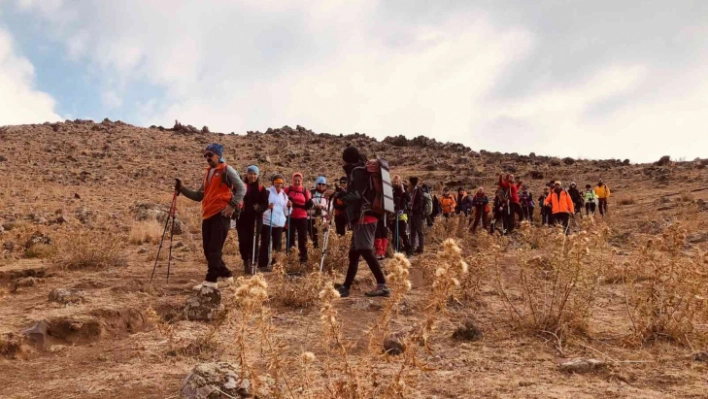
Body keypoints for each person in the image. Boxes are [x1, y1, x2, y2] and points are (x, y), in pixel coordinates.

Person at [175, 143, 246, 290]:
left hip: (221, 214)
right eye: (205, 155)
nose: (207, 158)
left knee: (214, 249)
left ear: (218, 156)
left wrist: (231, 205)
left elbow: (242, 189)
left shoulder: (227, 169)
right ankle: (226, 276)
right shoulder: (207, 173)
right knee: (208, 250)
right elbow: (199, 196)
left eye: (210, 155)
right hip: (207, 215)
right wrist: (182, 189)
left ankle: (210, 282)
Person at [337, 147, 390, 298]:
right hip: (366, 216)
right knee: (354, 254)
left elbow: (357, 195)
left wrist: (340, 197)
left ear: (346, 158)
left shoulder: (357, 171)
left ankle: (382, 284)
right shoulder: (361, 169)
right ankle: (346, 287)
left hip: (363, 216)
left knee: (365, 250)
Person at [236, 165, 269, 274]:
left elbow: (265, 203)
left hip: (256, 219)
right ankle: (246, 259)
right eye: (250, 173)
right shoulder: (241, 186)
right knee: (243, 241)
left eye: (254, 174)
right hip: (242, 218)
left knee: (253, 240)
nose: (252, 176)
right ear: (247, 174)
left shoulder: (261, 188)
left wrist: (259, 208)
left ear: (257, 175)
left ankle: (252, 261)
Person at [258, 174, 290, 270]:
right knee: (265, 243)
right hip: (267, 221)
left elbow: (286, 211)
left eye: (280, 182)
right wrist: (268, 207)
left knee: (277, 244)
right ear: (273, 182)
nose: (278, 184)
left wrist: (289, 206)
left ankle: (275, 264)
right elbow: (262, 205)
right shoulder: (267, 192)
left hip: (279, 223)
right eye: (276, 182)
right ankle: (263, 264)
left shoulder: (284, 195)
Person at [285, 172, 312, 263]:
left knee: (303, 238)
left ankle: (303, 259)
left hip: (302, 217)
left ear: (301, 181)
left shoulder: (305, 191)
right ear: (292, 180)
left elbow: (308, 203)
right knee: (290, 237)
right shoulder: (287, 190)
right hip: (291, 217)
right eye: (295, 180)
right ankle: (291, 258)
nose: (297, 182)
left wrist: (309, 204)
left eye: (298, 180)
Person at [390, 175, 412, 256]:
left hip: (403, 213)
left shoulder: (403, 189)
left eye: (397, 181)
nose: (396, 183)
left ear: (400, 182)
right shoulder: (392, 190)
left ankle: (408, 250)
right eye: (395, 181)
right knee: (394, 232)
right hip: (393, 213)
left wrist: (403, 191)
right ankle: (397, 250)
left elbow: (409, 199)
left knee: (402, 232)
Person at [308, 176, 330, 249]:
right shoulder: (310, 193)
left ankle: (323, 251)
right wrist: (315, 206)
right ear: (316, 184)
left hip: (324, 218)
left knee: (323, 236)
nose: (321, 186)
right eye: (319, 184)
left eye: (323, 184)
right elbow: (307, 204)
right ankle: (314, 252)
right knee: (313, 236)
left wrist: (322, 206)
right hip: (312, 218)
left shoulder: (327, 194)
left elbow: (331, 206)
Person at [409, 177, 426, 254]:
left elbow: (420, 203)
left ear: (412, 183)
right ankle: (412, 248)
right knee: (412, 231)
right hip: (413, 214)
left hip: (417, 214)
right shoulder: (413, 190)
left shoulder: (418, 190)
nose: (408, 183)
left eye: (409, 182)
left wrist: (413, 208)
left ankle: (421, 248)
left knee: (419, 231)